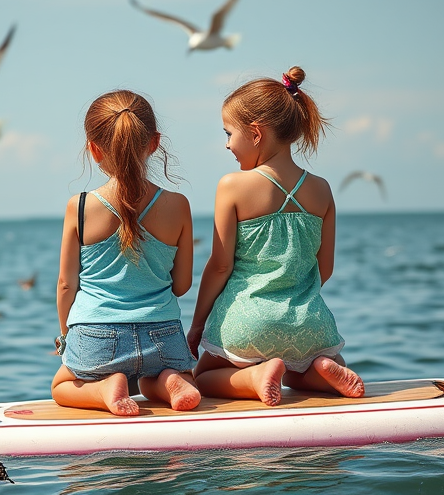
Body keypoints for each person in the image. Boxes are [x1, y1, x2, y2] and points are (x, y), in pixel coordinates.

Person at [186, 67, 365, 406]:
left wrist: (197, 326)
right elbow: (324, 269)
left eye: (228, 133)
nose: (227, 145)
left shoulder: (232, 187)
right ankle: (322, 371)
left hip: (247, 322)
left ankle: (254, 375)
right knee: (298, 371)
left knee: (204, 379)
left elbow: (220, 267)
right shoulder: (322, 190)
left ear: (255, 133)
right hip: (309, 322)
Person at [51, 89, 200, 416]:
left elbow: (66, 286)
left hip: (96, 333)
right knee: (156, 377)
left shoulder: (79, 207)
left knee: (61, 386)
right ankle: (171, 381)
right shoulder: (178, 205)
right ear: (154, 142)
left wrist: (65, 337)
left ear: (93, 149)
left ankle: (105, 387)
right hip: (163, 334)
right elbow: (182, 285)